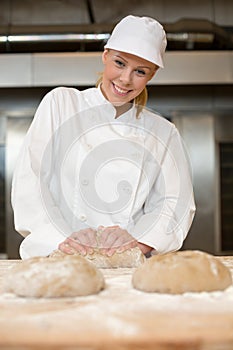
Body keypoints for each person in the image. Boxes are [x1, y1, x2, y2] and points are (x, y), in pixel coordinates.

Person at [12, 15, 196, 260]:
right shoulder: (61, 103)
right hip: (59, 256)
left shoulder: (163, 133)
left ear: (150, 76)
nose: (125, 79)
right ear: (105, 55)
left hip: (126, 263)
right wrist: (59, 239)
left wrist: (138, 241)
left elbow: (174, 204)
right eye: (120, 63)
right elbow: (31, 179)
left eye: (139, 71)